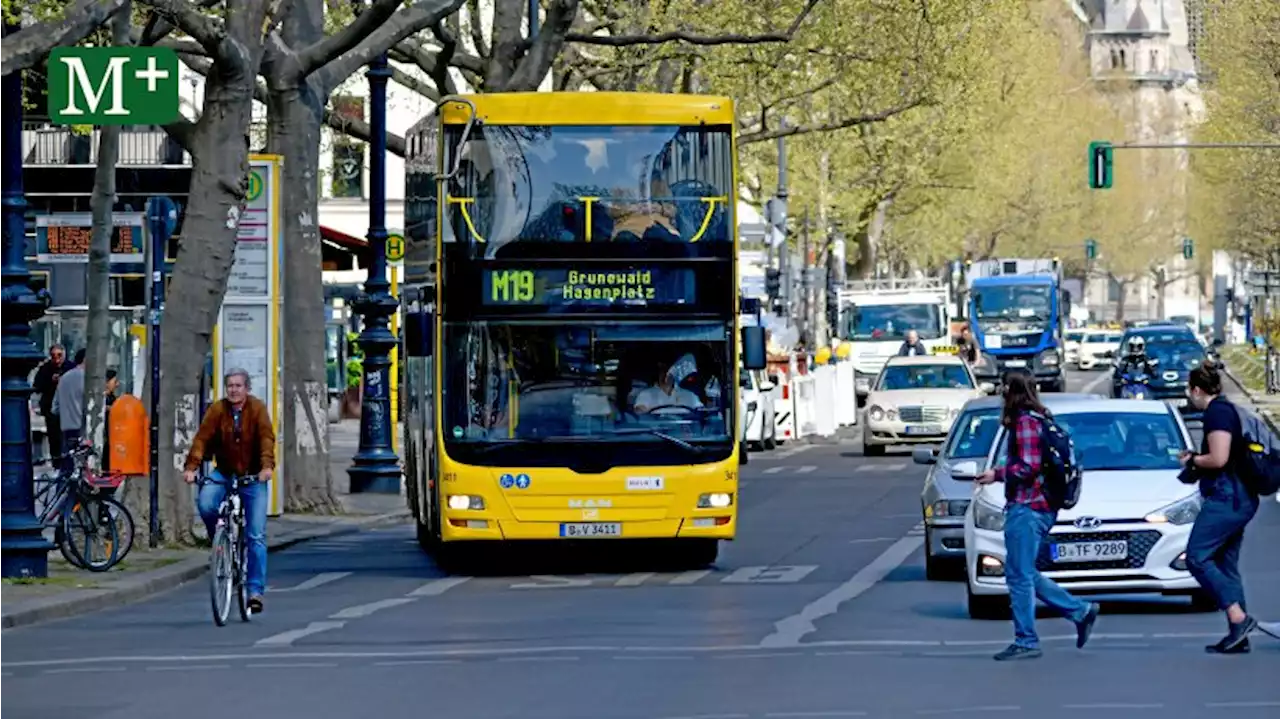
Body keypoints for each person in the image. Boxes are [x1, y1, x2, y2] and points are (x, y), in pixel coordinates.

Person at [976, 372, 1099, 661]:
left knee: (1019, 576)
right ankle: (1079, 611)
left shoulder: (1025, 422)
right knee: (1024, 571)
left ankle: (1027, 640)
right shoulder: (1040, 417)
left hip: (1028, 507)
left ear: (1010, 390)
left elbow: (1028, 467)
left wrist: (997, 474)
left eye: (1003, 387)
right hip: (1039, 508)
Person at [1180, 361, 1259, 653]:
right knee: (1225, 564)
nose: (1190, 397)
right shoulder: (1225, 410)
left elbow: (1219, 458)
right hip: (1239, 496)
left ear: (1197, 390)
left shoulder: (1217, 413)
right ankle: (1239, 635)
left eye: (1190, 392)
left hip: (1229, 496)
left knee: (1197, 557)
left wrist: (1193, 460)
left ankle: (1238, 617)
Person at [183, 368, 276, 614]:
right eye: (230, 386)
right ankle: (220, 543)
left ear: (247, 388)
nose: (234, 390)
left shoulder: (257, 409)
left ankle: (255, 591)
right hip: (224, 471)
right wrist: (192, 467)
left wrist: (267, 467)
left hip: (253, 475)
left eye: (238, 386)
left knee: (256, 535)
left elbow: (267, 439)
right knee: (206, 503)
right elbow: (201, 439)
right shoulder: (217, 410)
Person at [33, 344, 73, 459]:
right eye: (54, 356)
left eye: (59, 355)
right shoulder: (46, 368)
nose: (57, 359)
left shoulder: (70, 367)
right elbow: (37, 386)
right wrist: (50, 381)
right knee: (54, 436)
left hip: (68, 407)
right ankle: (56, 460)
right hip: (50, 407)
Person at [52, 349, 88, 463]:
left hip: (67, 428)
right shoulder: (88, 380)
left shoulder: (64, 378)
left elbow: (55, 408)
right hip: (83, 428)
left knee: (68, 464)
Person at [634, 355, 702, 413]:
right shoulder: (645, 395)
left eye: (670, 371)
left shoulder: (690, 395)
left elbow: (702, 413)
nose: (667, 374)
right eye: (664, 370)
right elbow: (641, 417)